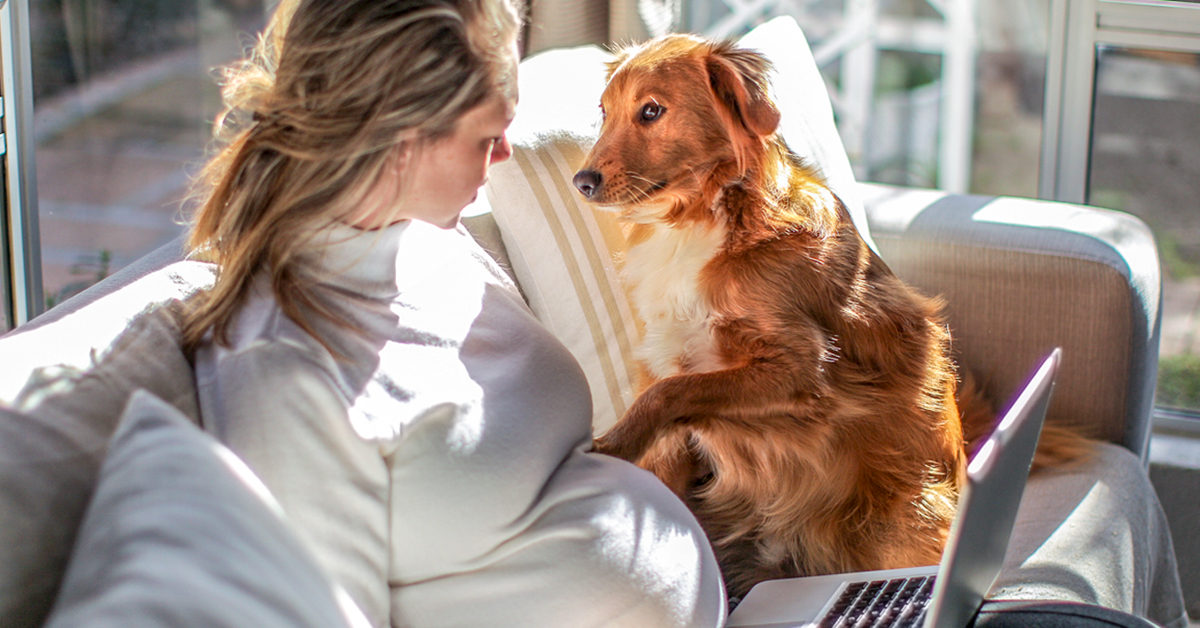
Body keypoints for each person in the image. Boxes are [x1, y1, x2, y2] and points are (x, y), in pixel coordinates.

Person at [180, 0, 726, 626]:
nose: (503, 157)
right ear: (394, 129)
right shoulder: (286, 366)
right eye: (487, 134)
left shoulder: (432, 242)